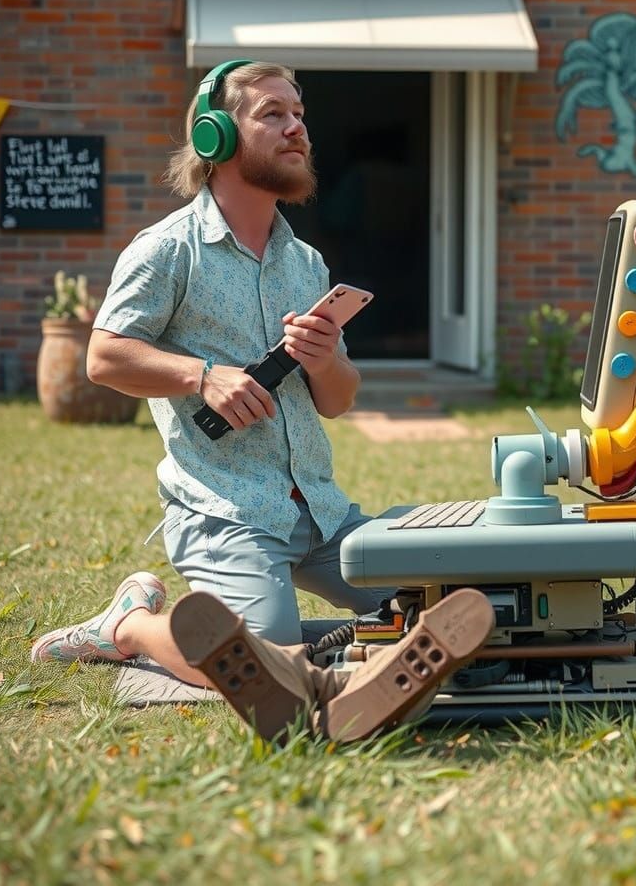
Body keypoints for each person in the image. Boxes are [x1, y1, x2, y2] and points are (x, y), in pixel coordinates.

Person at [29, 59, 494, 739]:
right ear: (216, 137)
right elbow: (103, 356)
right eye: (272, 113)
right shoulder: (167, 251)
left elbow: (337, 400)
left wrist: (325, 358)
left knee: (432, 604)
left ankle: (307, 648)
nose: (296, 126)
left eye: (299, 113)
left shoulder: (305, 263)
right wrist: (201, 375)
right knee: (263, 670)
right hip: (228, 515)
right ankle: (129, 624)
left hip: (324, 514)